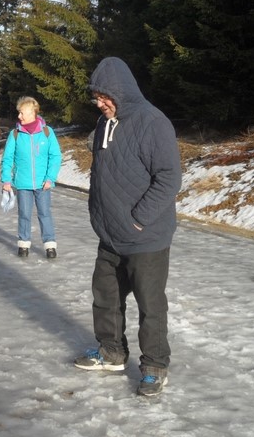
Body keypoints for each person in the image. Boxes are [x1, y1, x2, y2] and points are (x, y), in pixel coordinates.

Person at [73, 56, 181, 397]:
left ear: (122, 91)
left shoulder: (153, 122)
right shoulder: (105, 123)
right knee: (105, 298)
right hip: (109, 234)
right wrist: (99, 216)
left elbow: (169, 178)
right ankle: (111, 352)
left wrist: (138, 218)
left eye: (106, 96)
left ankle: (154, 366)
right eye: (97, 97)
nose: (101, 103)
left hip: (144, 236)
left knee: (150, 305)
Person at [0, 96, 62, 259]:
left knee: (44, 213)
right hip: (22, 183)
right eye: (18, 113)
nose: (19, 116)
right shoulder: (15, 134)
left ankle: (49, 245)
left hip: (43, 184)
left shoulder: (47, 132)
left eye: (21, 113)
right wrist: (6, 180)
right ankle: (24, 244)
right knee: (24, 214)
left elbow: (55, 156)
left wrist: (50, 178)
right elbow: (7, 159)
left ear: (32, 112)